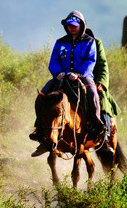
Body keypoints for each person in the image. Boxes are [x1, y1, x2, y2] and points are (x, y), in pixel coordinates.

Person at [30, 11, 104, 156]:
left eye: (75, 25)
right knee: (42, 96)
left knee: (92, 94)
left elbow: (90, 61)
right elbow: (54, 61)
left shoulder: (89, 41)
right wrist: (58, 73)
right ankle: (40, 130)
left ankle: (97, 125)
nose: (72, 28)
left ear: (81, 25)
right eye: (69, 25)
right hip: (61, 76)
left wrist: (77, 74)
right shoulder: (60, 42)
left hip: (83, 77)